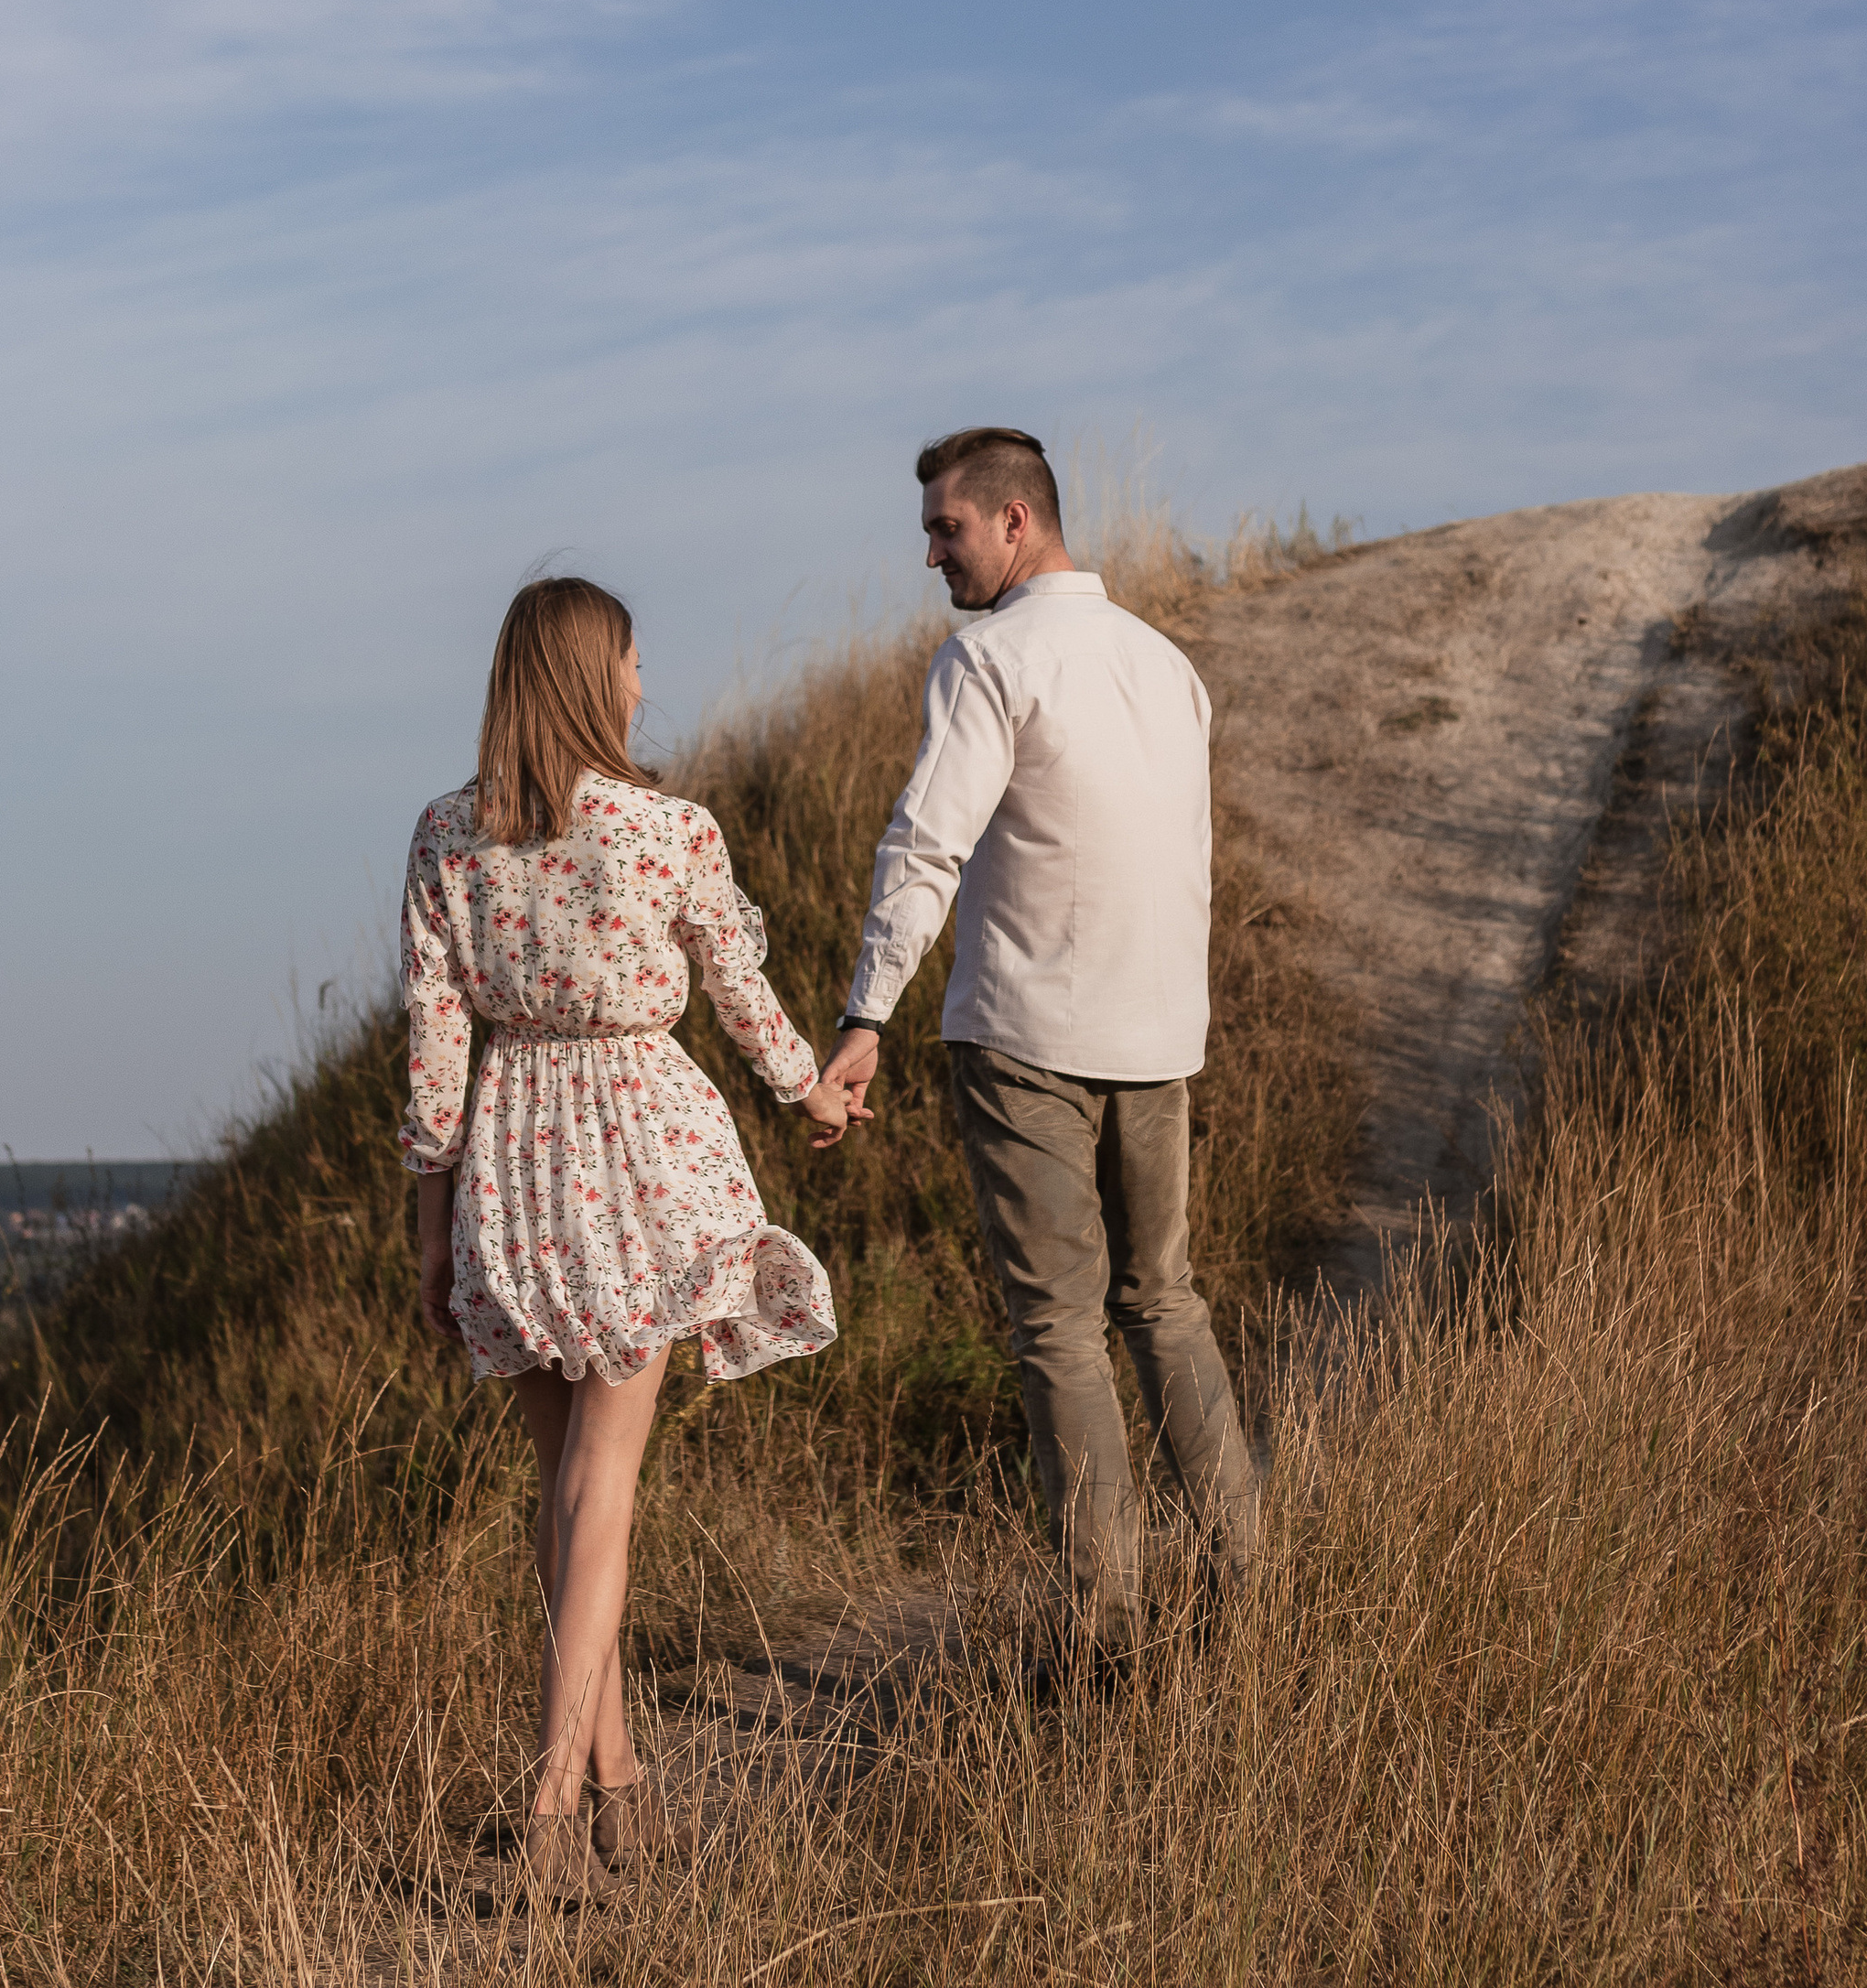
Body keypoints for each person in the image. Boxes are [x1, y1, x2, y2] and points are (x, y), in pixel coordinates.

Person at [404, 576, 852, 1903]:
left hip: (510, 1161)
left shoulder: (444, 835)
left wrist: (431, 1230)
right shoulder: (668, 830)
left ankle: (621, 1792)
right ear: (602, 676)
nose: (647, 680)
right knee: (604, 1491)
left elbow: (434, 1047)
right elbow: (740, 989)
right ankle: (548, 1808)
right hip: (638, 1156)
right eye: (637, 659)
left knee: (569, 1500)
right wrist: (813, 1091)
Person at [816, 427, 1257, 1658]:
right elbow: (1190, 862)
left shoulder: (988, 660)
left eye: (945, 530)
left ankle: (1104, 1630)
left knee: (1060, 1330)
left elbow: (926, 845)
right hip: (1161, 1034)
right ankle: (1244, 1589)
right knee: (1165, 1303)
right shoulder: (1168, 666)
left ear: (1017, 523)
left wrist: (867, 1017)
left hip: (1027, 1037)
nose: (931, 557)